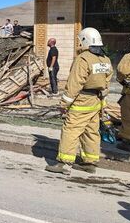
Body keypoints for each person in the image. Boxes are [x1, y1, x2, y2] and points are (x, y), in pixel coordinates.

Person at [46, 28, 112, 175]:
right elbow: (107, 83)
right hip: (96, 101)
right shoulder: (105, 59)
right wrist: (104, 103)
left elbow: (75, 84)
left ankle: (63, 163)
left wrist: (64, 104)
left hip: (81, 101)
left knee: (71, 130)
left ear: (84, 41)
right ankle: (89, 163)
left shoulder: (83, 59)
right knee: (91, 132)